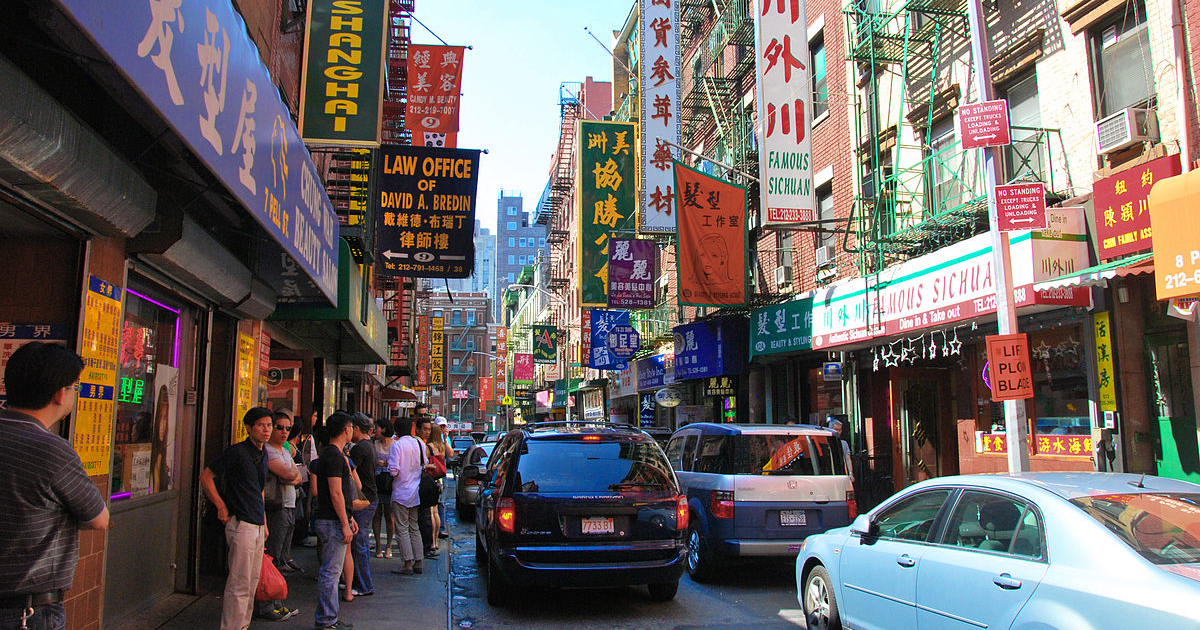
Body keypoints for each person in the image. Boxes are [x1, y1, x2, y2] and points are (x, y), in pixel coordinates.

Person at [0, 342, 108, 630]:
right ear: (61, 393)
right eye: (75, 386)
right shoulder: (52, 451)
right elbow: (99, 518)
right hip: (28, 610)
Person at [200, 407, 296, 629]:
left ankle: (243, 625)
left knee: (252, 583)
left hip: (256, 524)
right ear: (248, 427)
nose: (266, 429)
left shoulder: (262, 453)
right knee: (239, 583)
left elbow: (258, 489)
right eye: (262, 425)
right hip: (240, 523)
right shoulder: (237, 452)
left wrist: (263, 521)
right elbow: (206, 476)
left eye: (269, 425)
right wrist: (221, 506)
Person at [310, 412, 357, 630]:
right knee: (331, 571)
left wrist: (349, 517)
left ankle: (328, 617)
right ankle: (326, 619)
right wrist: (345, 523)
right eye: (351, 427)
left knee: (331, 570)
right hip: (331, 521)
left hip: (332, 519)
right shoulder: (334, 456)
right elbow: (336, 492)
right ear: (346, 429)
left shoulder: (330, 454)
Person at [254, 411, 302, 620]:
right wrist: (291, 475)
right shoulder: (268, 452)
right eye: (279, 427)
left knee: (281, 557)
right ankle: (267, 605)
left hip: (289, 506)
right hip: (276, 508)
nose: (284, 432)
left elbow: (298, 476)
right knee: (272, 556)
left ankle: (275, 601)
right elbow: (290, 474)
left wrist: (292, 475)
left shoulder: (284, 450)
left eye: (287, 428)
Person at [387, 415, 431, 575]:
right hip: (416, 491)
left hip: (400, 492)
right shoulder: (419, 443)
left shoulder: (396, 445)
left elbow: (394, 470)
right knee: (414, 527)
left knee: (402, 528)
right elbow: (425, 463)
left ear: (397, 430)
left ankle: (407, 563)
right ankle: (418, 561)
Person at [347, 413, 378, 597]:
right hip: (369, 497)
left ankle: (364, 584)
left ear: (356, 428)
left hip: (363, 498)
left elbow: (350, 471)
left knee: (359, 542)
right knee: (361, 542)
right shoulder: (370, 445)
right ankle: (359, 581)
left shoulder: (360, 448)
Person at [371, 419, 396, 559]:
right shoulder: (374, 444)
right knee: (377, 513)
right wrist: (376, 463)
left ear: (384, 429)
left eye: (378, 428)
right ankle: (378, 545)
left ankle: (389, 546)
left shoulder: (395, 445)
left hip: (389, 483)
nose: (376, 430)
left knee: (389, 515)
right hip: (377, 482)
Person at [426, 421, 450, 549]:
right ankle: (435, 541)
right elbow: (450, 454)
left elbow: (424, 462)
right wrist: (445, 439)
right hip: (441, 479)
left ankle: (432, 541)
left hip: (431, 479)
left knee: (431, 510)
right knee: (436, 511)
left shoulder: (429, 447)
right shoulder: (442, 446)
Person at [150, 384, 171, 492]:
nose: (163, 426)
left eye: (165, 419)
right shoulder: (155, 454)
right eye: (161, 418)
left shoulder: (164, 453)